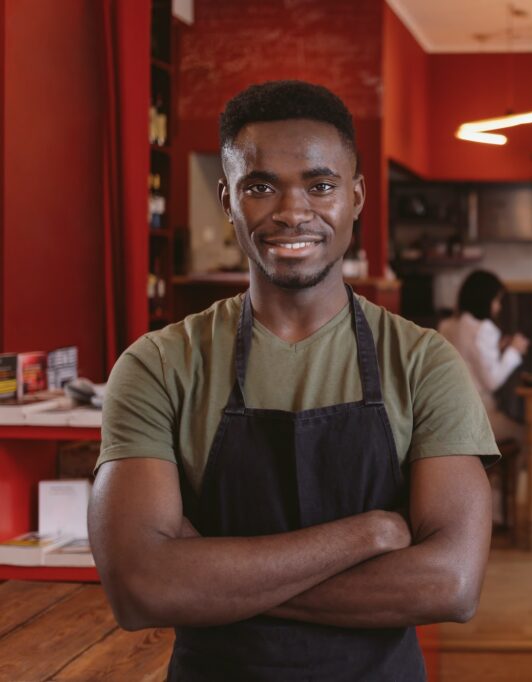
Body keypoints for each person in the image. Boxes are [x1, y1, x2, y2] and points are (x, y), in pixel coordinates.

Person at [89, 80, 498, 681]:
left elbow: (451, 584)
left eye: (320, 184)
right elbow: (141, 588)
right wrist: (370, 533)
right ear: (228, 199)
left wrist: (211, 582)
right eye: (260, 187)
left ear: (355, 197)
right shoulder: (159, 365)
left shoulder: (423, 364)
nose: (291, 211)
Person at [439, 270, 529, 443]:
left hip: (448, 416)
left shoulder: (446, 325)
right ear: (484, 298)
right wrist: (514, 350)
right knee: (528, 435)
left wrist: (499, 349)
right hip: (479, 416)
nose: (498, 307)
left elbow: (467, 359)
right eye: (496, 300)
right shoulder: (485, 328)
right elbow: (492, 381)